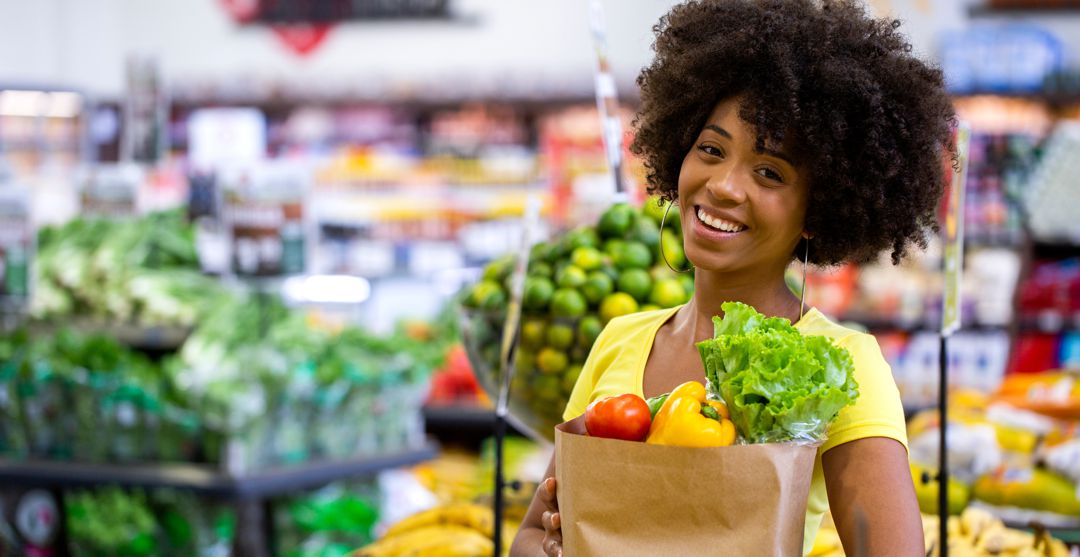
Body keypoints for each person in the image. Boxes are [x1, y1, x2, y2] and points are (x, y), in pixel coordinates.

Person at [511, 0, 955, 555]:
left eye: (769, 172)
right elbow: (531, 534)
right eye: (711, 150)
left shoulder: (840, 367)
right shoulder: (620, 340)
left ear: (820, 209)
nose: (723, 185)